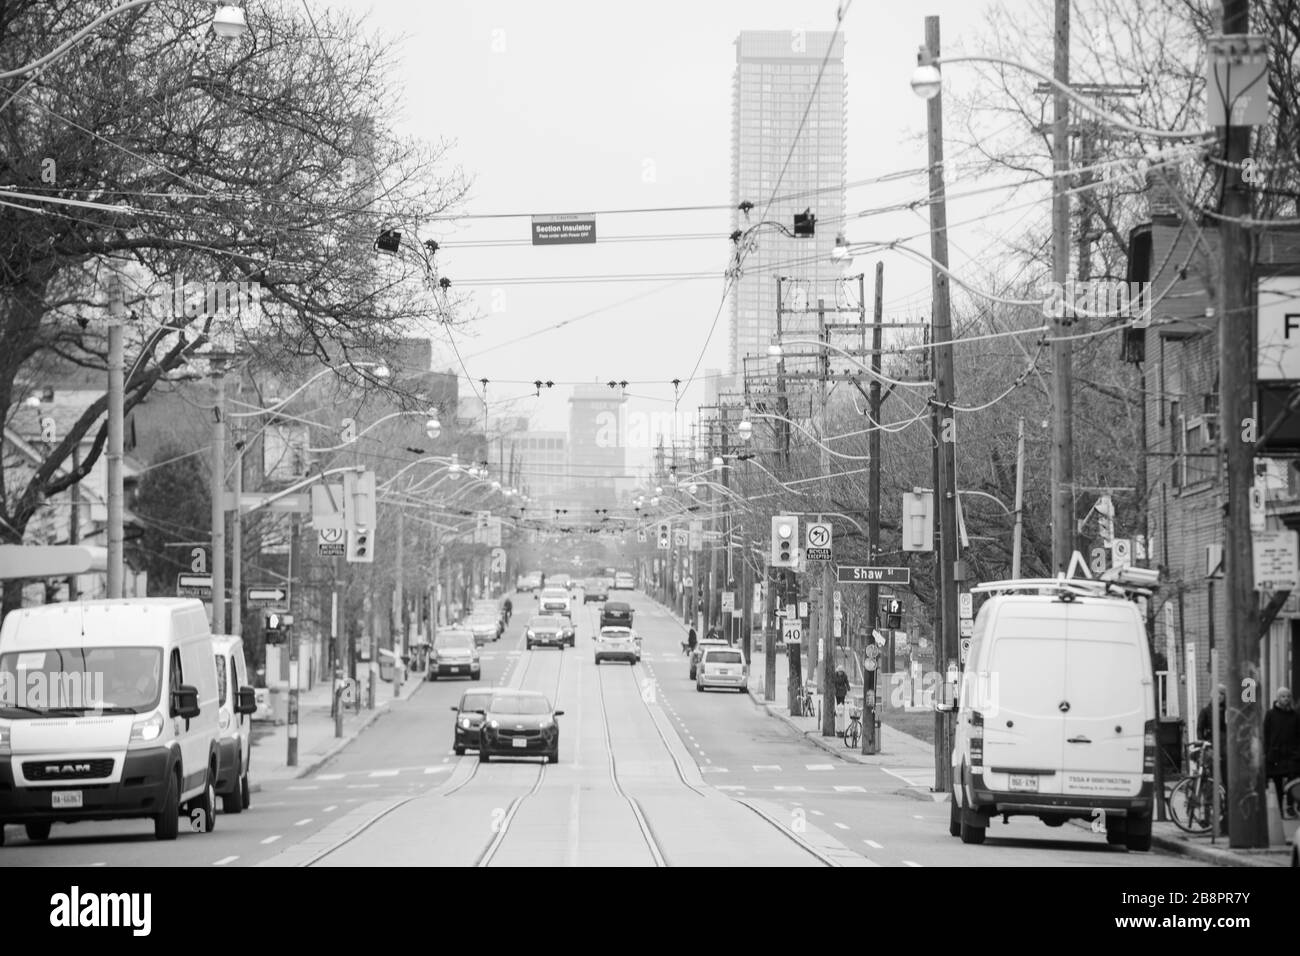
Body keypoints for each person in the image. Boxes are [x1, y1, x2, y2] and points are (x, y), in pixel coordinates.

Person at [1265, 686, 1300, 818]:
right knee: (1277, 784)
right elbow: (1266, 733)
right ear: (1277, 698)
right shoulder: (1270, 714)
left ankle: (1291, 806)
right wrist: (1267, 752)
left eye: (1288, 696)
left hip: (1292, 754)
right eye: (1283, 696)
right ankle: (1279, 810)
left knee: (1293, 781)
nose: (1286, 699)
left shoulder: (1295, 716)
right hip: (1276, 755)